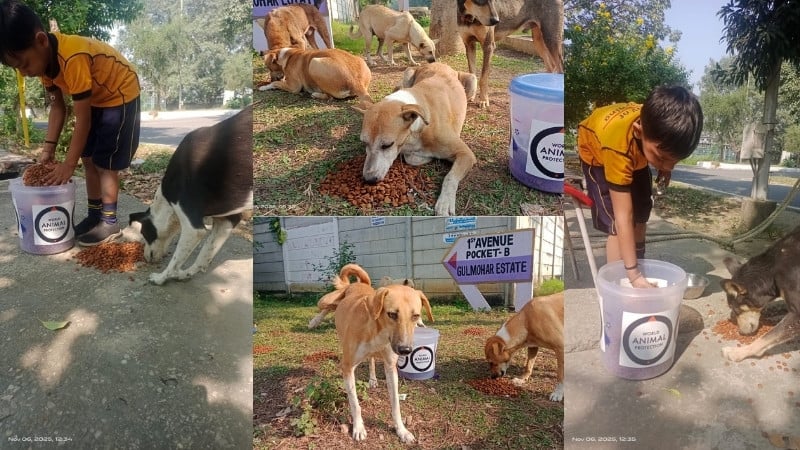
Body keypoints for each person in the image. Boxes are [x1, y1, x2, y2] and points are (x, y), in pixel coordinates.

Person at [0, 0, 141, 246]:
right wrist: (48, 150)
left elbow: (82, 118)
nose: (23, 73)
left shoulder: (73, 56)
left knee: (105, 162)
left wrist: (67, 164)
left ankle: (109, 221)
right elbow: (57, 107)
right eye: (17, 69)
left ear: (41, 40)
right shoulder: (45, 67)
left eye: (23, 64)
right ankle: (94, 214)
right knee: (88, 159)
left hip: (120, 95)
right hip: (97, 99)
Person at [577, 85, 703, 288]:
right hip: (599, 156)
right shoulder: (617, 147)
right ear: (639, 131)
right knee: (617, 225)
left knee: (641, 212)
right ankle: (619, 283)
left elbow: (661, 156)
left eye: (675, 161)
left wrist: (664, 167)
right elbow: (623, 217)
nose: (669, 167)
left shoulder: (659, 124)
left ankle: (637, 266)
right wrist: (632, 276)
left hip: (634, 152)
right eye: (662, 159)